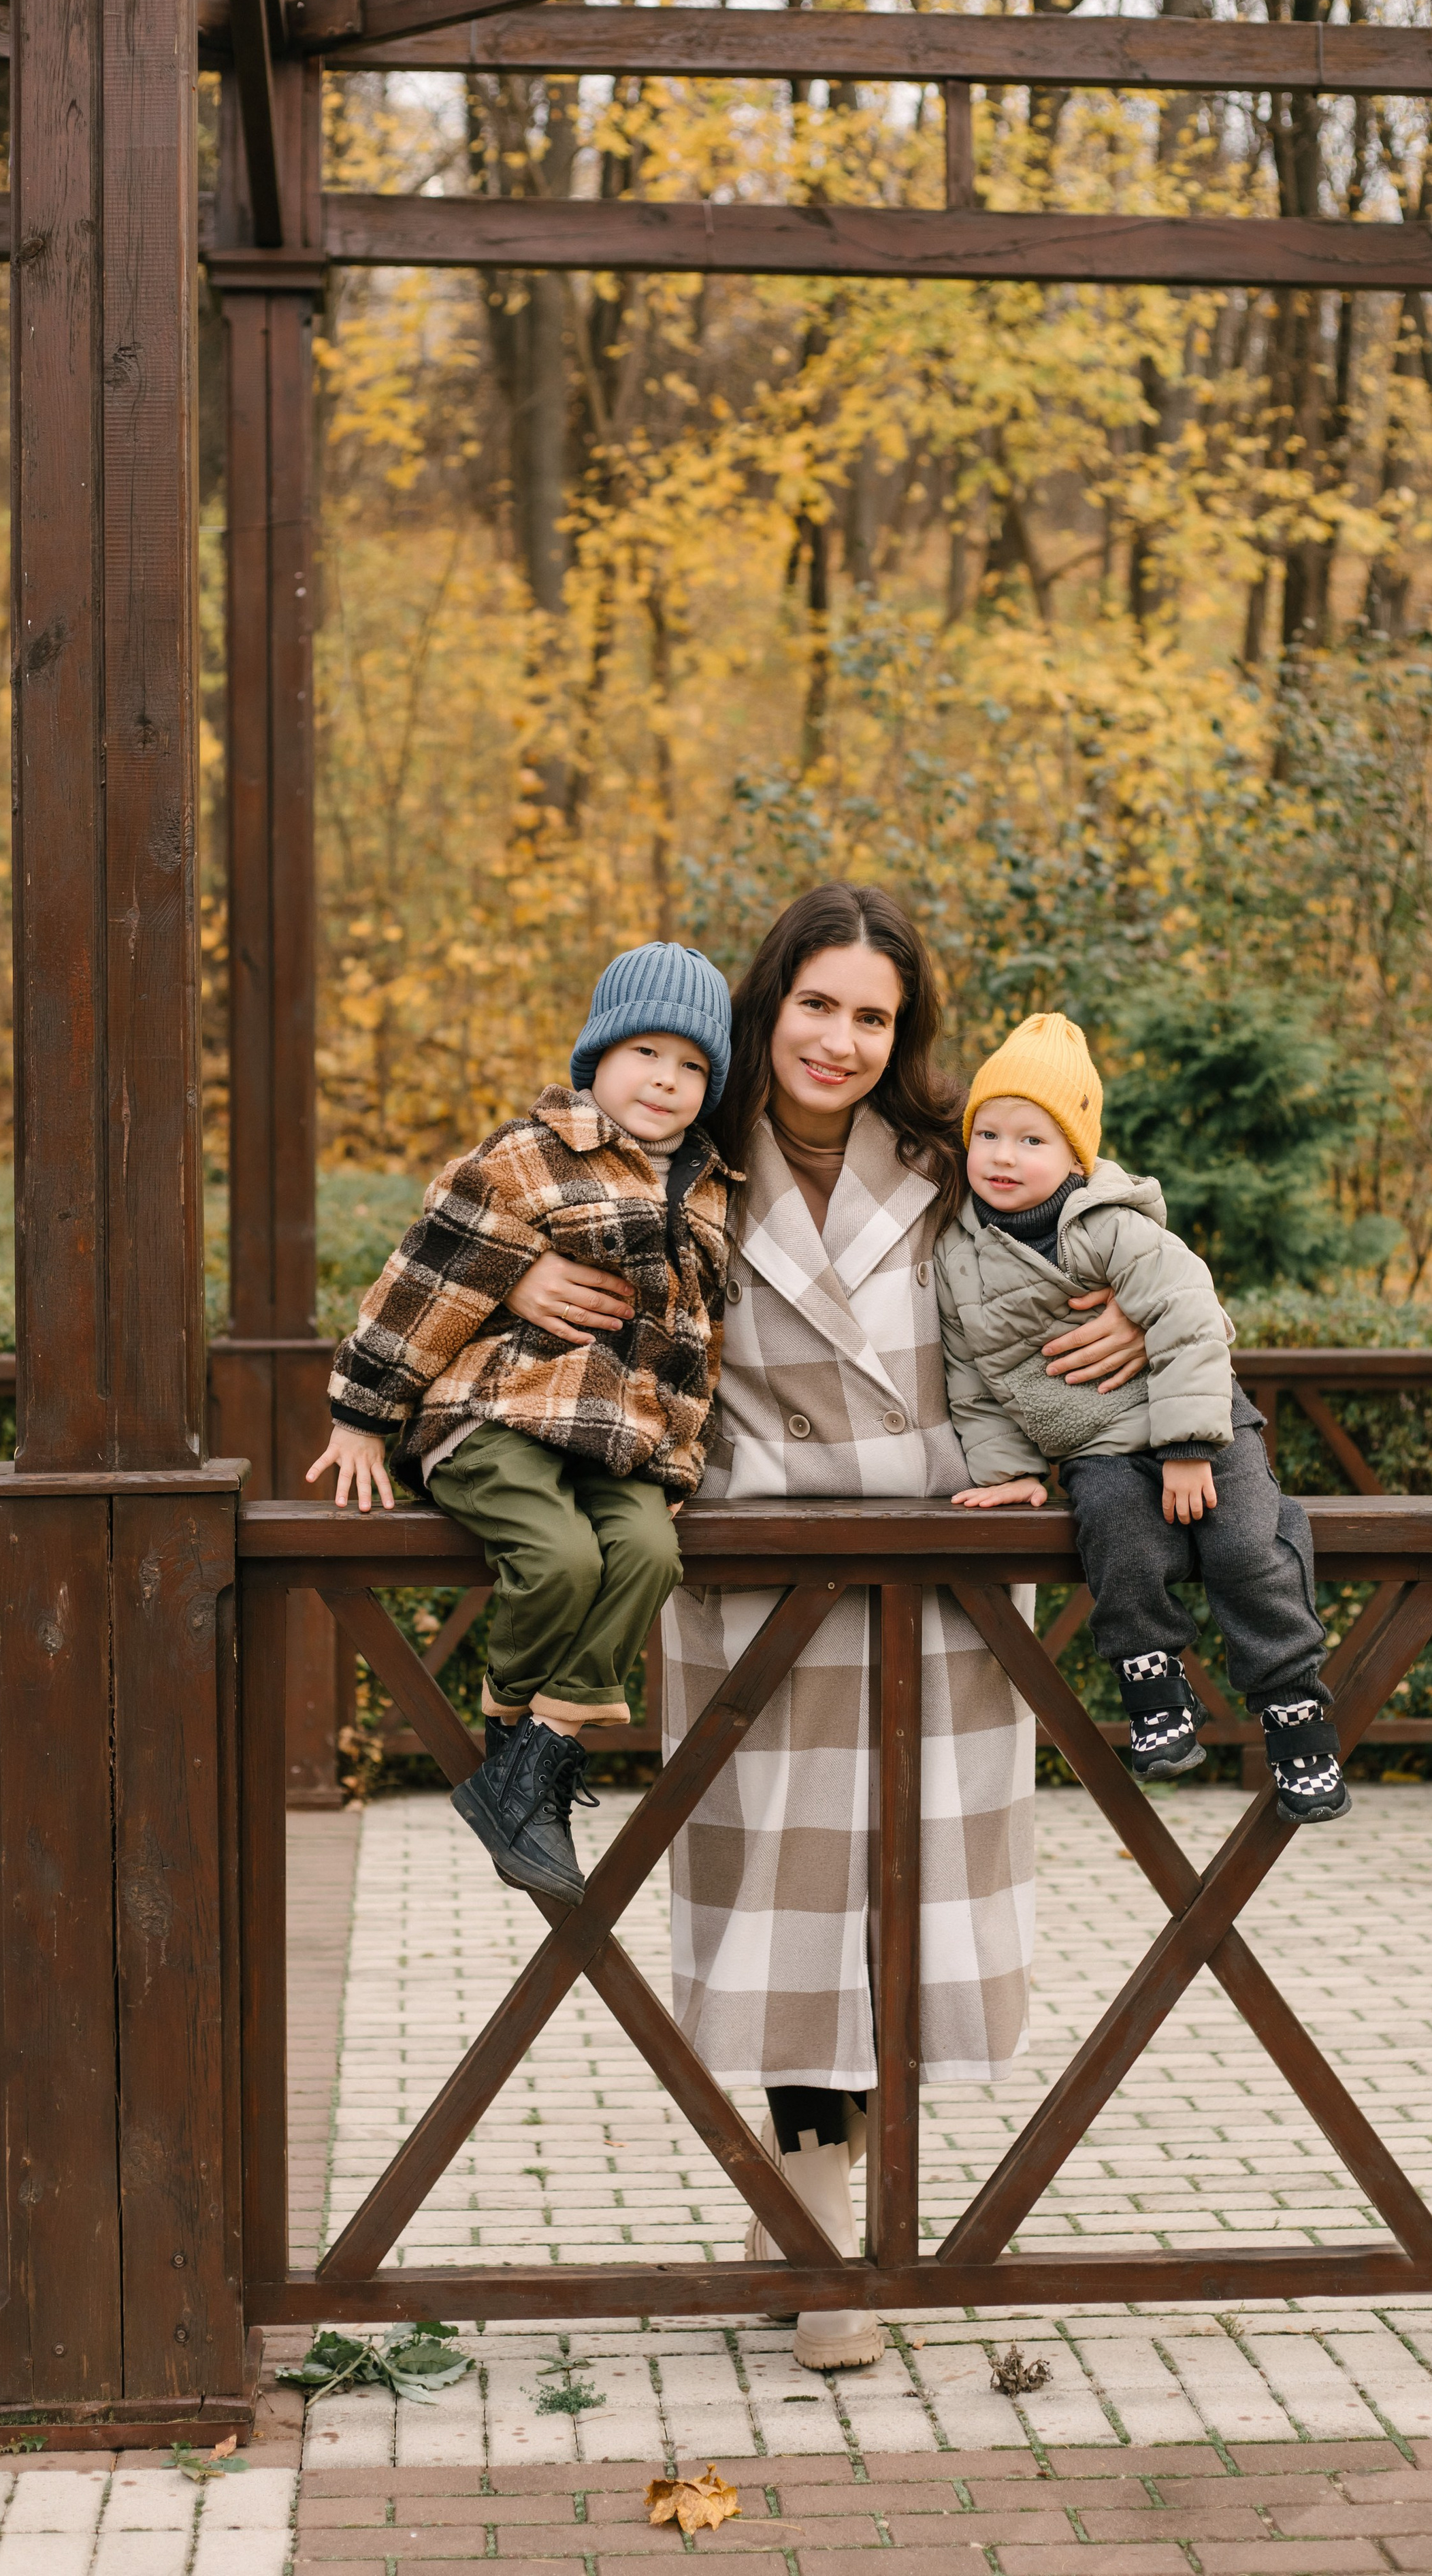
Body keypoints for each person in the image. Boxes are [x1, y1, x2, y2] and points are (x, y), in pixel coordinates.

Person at [501, 886, 1151, 2373]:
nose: (840, 1040)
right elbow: (464, 1234)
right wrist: (517, 1278)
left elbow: (1109, 1217)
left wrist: (1132, 1314)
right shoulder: (666, 1152)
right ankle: (816, 2235)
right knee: (797, 1938)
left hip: (936, 1599)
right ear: (764, 1006)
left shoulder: (951, 1166)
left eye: (873, 1016)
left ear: (901, 1034)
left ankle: (817, 2222)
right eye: (816, 1006)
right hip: (764, 1596)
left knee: (897, 1922)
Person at [307, 941, 738, 1906]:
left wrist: (675, 1467)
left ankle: (528, 1766)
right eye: (646, 1054)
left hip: (618, 1442)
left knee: (646, 1558)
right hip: (498, 1417)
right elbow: (429, 1280)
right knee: (561, 1563)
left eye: (693, 1065)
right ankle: (516, 1745)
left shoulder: (710, 1191)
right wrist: (361, 1417)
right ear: (599, 1056)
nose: (667, 1080)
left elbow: (693, 1348)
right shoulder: (530, 1156)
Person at [934, 1010, 1348, 1826]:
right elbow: (973, 1377)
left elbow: (1191, 1317)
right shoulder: (957, 1254)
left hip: (1196, 1425)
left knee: (1243, 1549)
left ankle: (1294, 1712)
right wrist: (1009, 1472)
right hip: (1095, 1448)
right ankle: (1156, 1685)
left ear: (1074, 1155)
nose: (1004, 1157)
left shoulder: (1108, 1224)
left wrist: (1192, 1446)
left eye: (1032, 1140)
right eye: (988, 1135)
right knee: (1115, 1539)